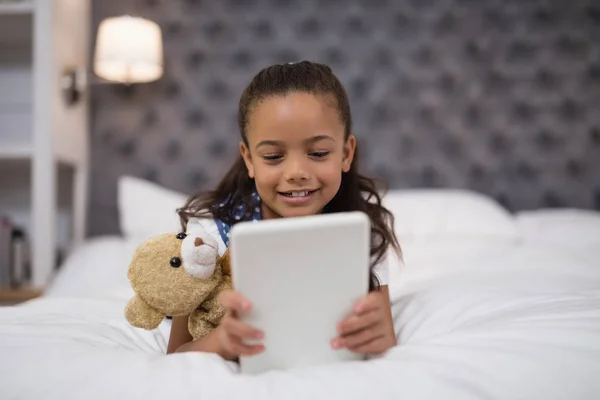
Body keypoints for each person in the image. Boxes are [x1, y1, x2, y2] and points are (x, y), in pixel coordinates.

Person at [167, 61, 401, 360]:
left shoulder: (363, 230)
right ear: (249, 159)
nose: (297, 172)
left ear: (345, 153)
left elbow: (385, 341)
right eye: (274, 156)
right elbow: (176, 353)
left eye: (318, 153)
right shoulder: (208, 235)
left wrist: (375, 334)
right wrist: (220, 342)